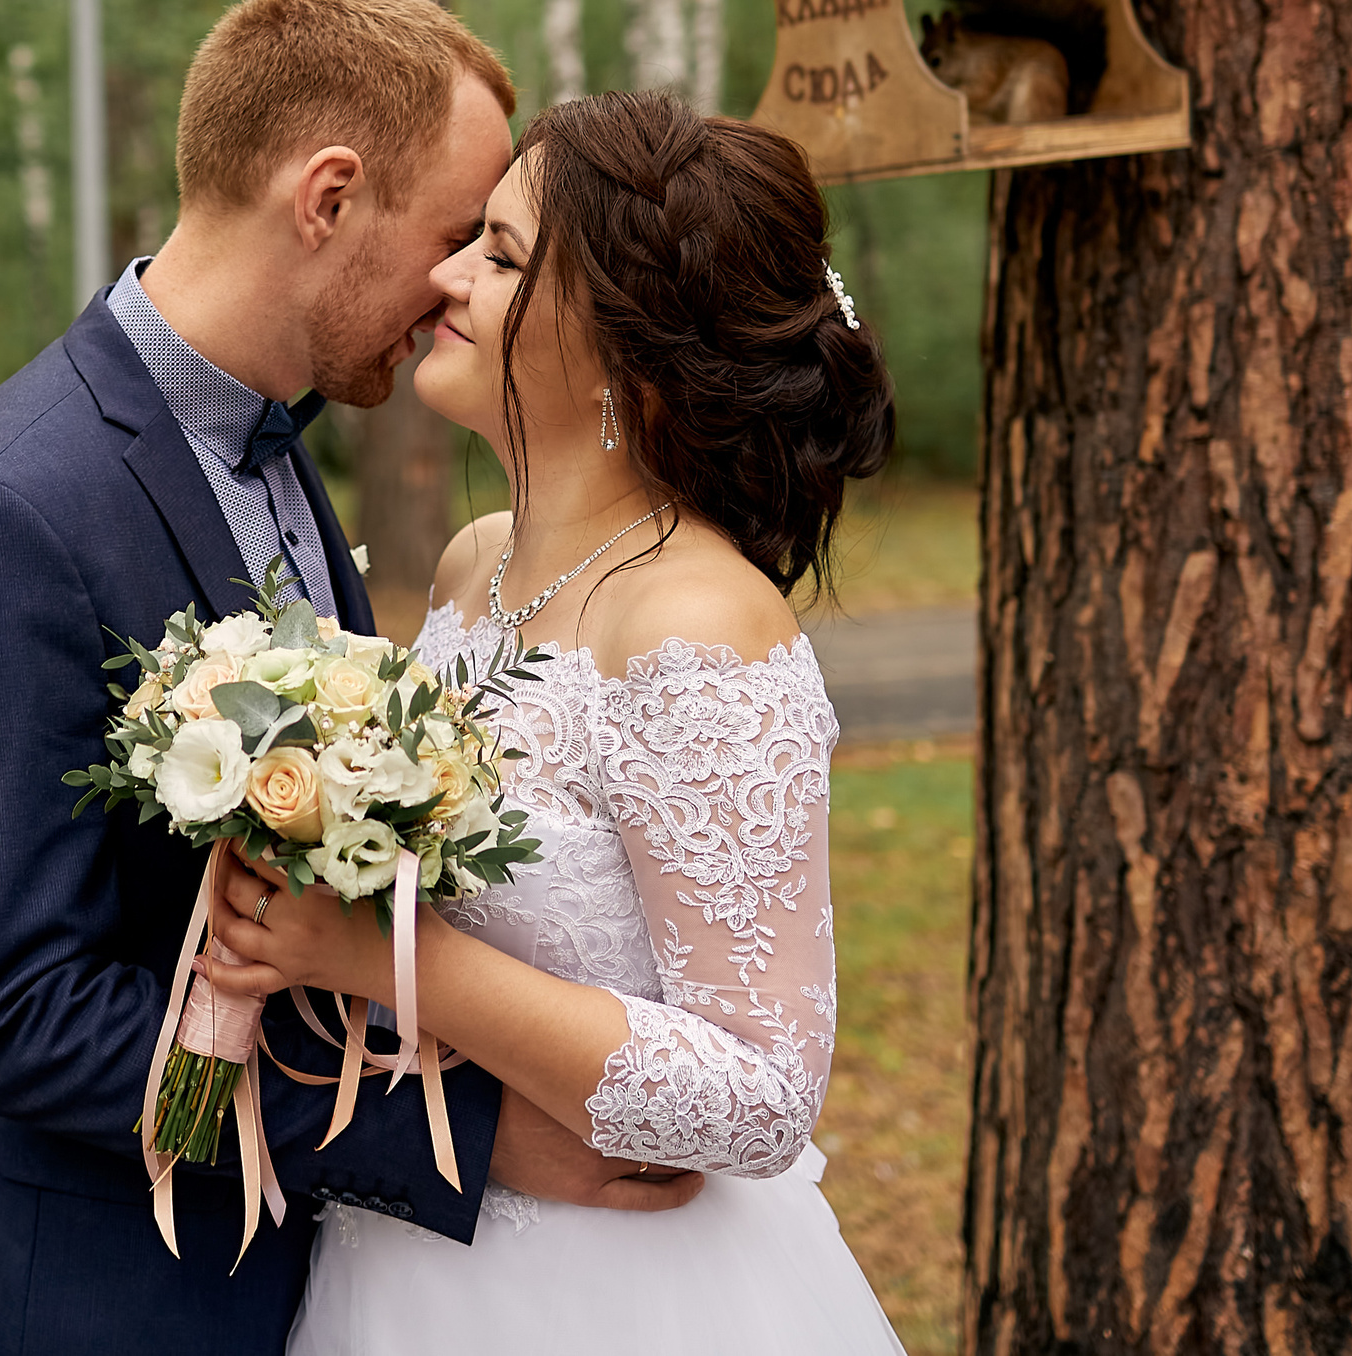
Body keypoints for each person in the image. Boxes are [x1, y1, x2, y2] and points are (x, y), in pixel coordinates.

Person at [0, 0, 700, 1356]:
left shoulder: (277, 451)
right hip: (109, 1308)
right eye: (454, 237)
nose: (458, 290)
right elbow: (25, 1018)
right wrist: (459, 1144)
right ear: (325, 197)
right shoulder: (5, 513)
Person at [206, 89, 908, 1353]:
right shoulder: (477, 566)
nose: (448, 273)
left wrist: (377, 955)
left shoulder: (697, 624)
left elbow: (761, 1094)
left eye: (502, 253)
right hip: (411, 1251)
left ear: (621, 344)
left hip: (620, 1294)